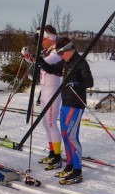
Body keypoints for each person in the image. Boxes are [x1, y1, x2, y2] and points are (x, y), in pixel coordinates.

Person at [40, 37, 94, 185]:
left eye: (61, 53)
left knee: (71, 137)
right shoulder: (66, 62)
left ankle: (78, 172)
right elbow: (52, 70)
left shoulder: (80, 62)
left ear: (69, 49)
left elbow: (89, 81)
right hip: (65, 103)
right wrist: (39, 61)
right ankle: (70, 165)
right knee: (65, 135)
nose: (60, 56)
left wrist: (75, 83)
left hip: (76, 105)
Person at [23, 25, 63, 170]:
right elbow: (38, 60)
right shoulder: (46, 51)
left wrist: (34, 58)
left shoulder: (57, 51)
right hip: (44, 91)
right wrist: (28, 57)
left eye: (41, 39)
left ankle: (58, 156)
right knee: (46, 124)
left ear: (49, 38)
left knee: (52, 124)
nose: (40, 42)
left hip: (53, 92)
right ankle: (52, 153)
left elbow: (45, 62)